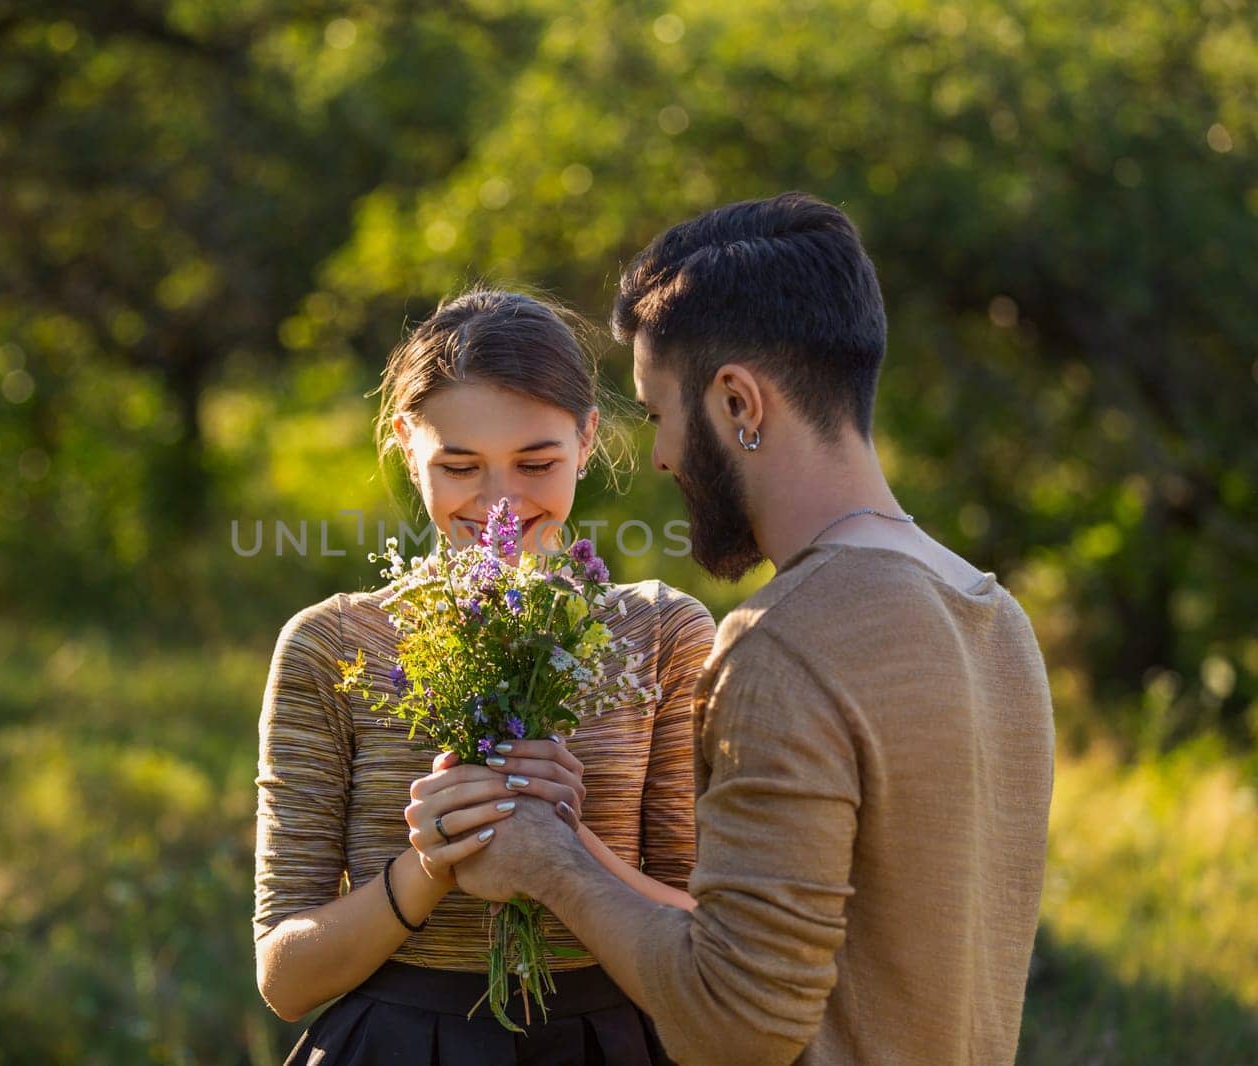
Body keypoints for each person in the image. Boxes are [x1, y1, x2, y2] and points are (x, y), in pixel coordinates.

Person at [432, 194, 1056, 1065]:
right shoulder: (994, 616)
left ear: (738, 404)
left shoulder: (784, 643)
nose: (657, 457)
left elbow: (737, 1020)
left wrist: (546, 867)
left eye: (658, 415)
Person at [252, 288, 717, 1063]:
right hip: (397, 1042)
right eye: (459, 466)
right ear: (406, 443)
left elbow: (708, 933)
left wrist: (562, 848)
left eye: (537, 462)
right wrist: (432, 864)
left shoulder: (661, 635)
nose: (500, 500)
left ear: (588, 438)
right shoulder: (333, 643)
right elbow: (286, 979)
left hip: (609, 1038)